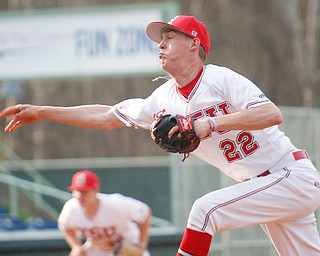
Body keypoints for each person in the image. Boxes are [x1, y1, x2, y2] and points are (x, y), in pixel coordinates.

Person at [0, 14, 320, 256]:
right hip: (262, 187)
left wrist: (209, 124)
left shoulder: (220, 79)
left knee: (204, 211)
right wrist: (43, 111)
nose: (160, 44)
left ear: (194, 43)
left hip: (289, 175)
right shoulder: (163, 99)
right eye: (159, 40)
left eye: (169, 36)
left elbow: (271, 114)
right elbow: (106, 116)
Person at [57, 170, 152, 256]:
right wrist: (76, 246)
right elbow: (66, 227)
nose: (79, 196)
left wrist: (141, 245)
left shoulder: (115, 204)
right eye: (77, 191)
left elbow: (145, 213)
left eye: (84, 191)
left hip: (127, 246)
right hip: (98, 249)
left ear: (96, 190)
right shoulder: (71, 208)